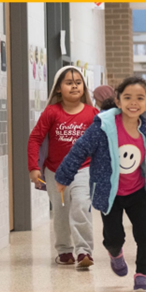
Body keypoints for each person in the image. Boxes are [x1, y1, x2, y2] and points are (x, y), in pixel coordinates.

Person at [54, 76, 146, 292]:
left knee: (145, 235)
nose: (133, 102)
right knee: (114, 238)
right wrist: (63, 177)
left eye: (140, 98)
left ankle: (141, 274)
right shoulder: (103, 126)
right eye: (128, 97)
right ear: (118, 101)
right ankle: (115, 252)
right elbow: (80, 150)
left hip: (136, 191)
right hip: (108, 192)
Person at [27, 66, 99, 269]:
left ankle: (84, 250)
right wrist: (34, 167)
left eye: (78, 83)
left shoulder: (93, 113)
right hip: (55, 172)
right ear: (58, 88)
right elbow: (35, 139)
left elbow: (103, 141)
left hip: (83, 169)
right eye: (69, 83)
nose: (74, 86)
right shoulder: (52, 112)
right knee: (60, 211)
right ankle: (64, 249)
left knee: (80, 206)